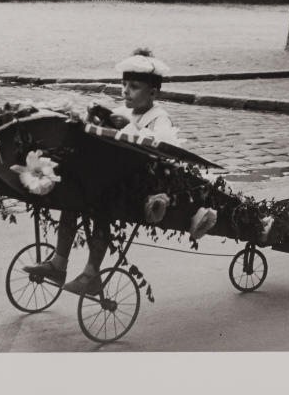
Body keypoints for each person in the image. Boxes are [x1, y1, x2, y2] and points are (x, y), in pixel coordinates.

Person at [24, 49, 175, 296]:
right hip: (105, 176)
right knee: (71, 199)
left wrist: (128, 127)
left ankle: (92, 274)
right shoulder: (122, 111)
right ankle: (58, 263)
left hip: (132, 183)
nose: (126, 91)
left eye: (134, 86)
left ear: (153, 93)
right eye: (124, 84)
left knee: (102, 208)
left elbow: (163, 146)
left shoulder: (159, 118)